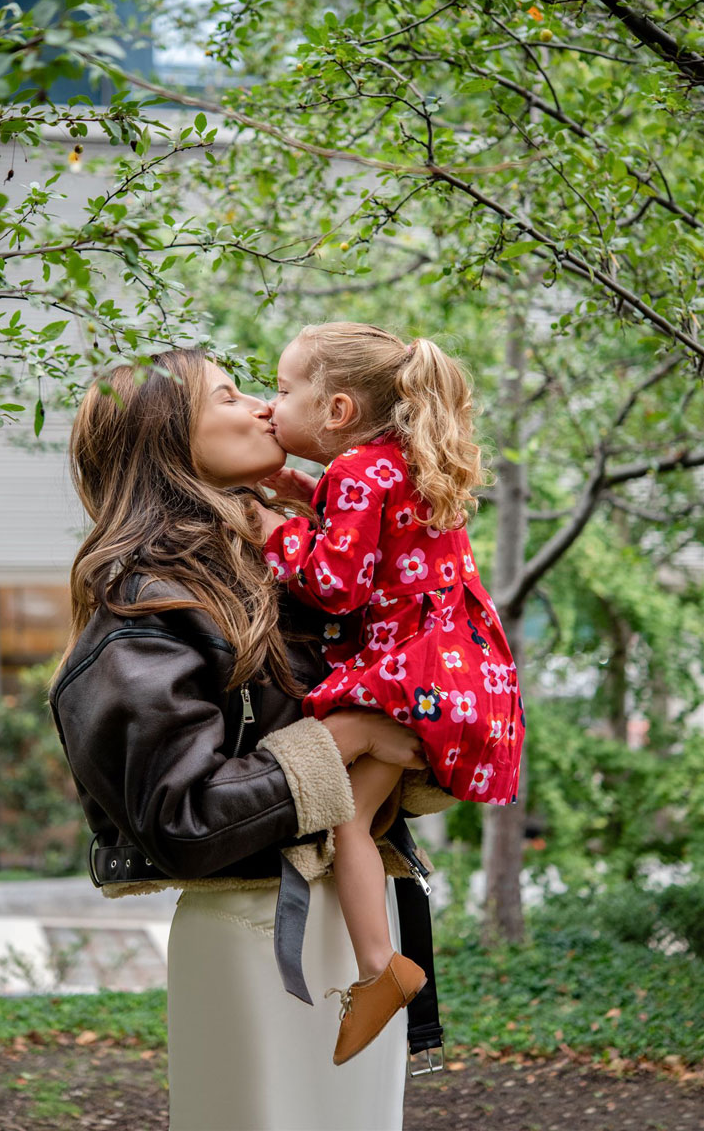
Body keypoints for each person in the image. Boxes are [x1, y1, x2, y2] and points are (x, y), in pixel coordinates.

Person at [49, 348, 455, 1131]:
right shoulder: (145, 604)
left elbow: (383, 742)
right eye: (230, 397)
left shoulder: (288, 568)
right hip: (255, 931)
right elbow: (184, 819)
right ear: (165, 441)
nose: (265, 409)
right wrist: (344, 738)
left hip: (360, 923)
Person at [255, 322, 525, 1066]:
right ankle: (386, 978)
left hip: (403, 672)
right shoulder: (401, 462)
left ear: (336, 409)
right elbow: (379, 542)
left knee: (327, 792)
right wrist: (301, 492)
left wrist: (269, 526)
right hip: (455, 671)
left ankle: (381, 972)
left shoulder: (354, 476)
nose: (271, 405)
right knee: (356, 824)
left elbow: (337, 586)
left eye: (282, 390)